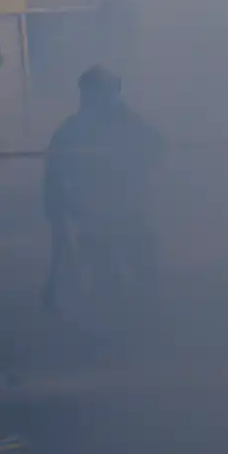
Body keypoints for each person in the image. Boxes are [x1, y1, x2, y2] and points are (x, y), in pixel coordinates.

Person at [42, 66, 165, 312]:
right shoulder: (74, 129)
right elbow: (54, 174)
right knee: (106, 277)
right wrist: (62, 208)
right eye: (91, 92)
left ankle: (146, 316)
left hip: (127, 208)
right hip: (93, 211)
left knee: (144, 274)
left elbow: (157, 146)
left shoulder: (129, 123)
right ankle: (114, 317)